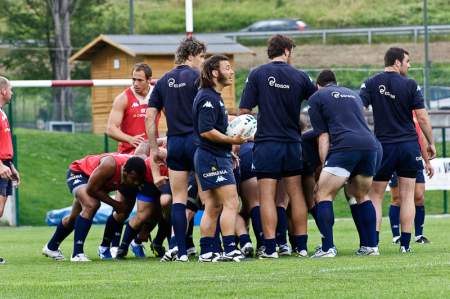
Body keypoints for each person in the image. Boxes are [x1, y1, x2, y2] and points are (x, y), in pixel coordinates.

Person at [239, 34, 317, 258]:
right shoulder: (300, 76)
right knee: (296, 194)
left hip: (267, 144)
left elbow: (244, 111)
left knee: (267, 197)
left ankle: (271, 247)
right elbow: (317, 102)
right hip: (293, 143)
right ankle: (301, 246)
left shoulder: (257, 74)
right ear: (286, 50)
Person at [360, 47, 436, 253]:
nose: (409, 65)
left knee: (375, 195)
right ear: (396, 62)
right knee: (408, 195)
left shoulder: (371, 82)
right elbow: (422, 118)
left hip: (384, 146)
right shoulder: (411, 84)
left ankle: (373, 246)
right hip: (409, 146)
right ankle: (405, 245)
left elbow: (358, 108)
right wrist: (431, 142)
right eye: (407, 61)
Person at [308, 70, 380, 258]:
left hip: (345, 147)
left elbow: (323, 136)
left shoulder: (317, 97)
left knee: (322, 194)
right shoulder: (353, 94)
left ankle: (327, 248)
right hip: (369, 145)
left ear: (318, 85)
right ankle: (370, 247)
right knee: (360, 196)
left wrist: (325, 166)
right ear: (335, 82)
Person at [146, 38, 206, 261]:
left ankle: (180, 251)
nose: (202, 62)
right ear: (190, 55)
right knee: (210, 197)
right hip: (198, 142)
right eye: (201, 57)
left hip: (175, 143)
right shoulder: (198, 77)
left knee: (178, 199)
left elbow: (150, 115)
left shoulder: (162, 82)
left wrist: (154, 149)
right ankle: (212, 249)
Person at [101, 63, 159, 258]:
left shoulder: (157, 96)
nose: (135, 83)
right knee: (122, 209)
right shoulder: (123, 98)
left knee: (152, 210)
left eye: (139, 80)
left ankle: (137, 242)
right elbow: (110, 129)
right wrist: (130, 139)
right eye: (133, 79)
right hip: (128, 162)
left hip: (149, 163)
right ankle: (108, 247)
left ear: (149, 80)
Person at [193, 55, 247, 262]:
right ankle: (230, 249)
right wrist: (232, 140)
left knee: (214, 206)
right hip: (211, 157)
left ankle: (206, 252)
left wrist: (228, 149)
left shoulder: (214, 96)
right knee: (232, 202)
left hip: (215, 155)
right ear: (215, 73)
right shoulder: (207, 98)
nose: (232, 71)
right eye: (227, 68)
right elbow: (206, 131)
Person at [42, 154, 147, 262]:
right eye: (134, 179)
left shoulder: (138, 169)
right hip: (80, 173)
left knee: (73, 219)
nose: (136, 183)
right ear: (125, 172)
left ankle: (51, 247)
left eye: (138, 180)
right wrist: (115, 204)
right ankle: (77, 254)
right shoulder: (110, 165)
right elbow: (91, 189)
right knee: (91, 204)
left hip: (96, 182)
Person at [0, 76, 20, 265]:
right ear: (3, 91)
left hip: (5, 166)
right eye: (10, 89)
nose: (12, 92)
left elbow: (3, 145)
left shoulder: (2, 113)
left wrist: (11, 166)